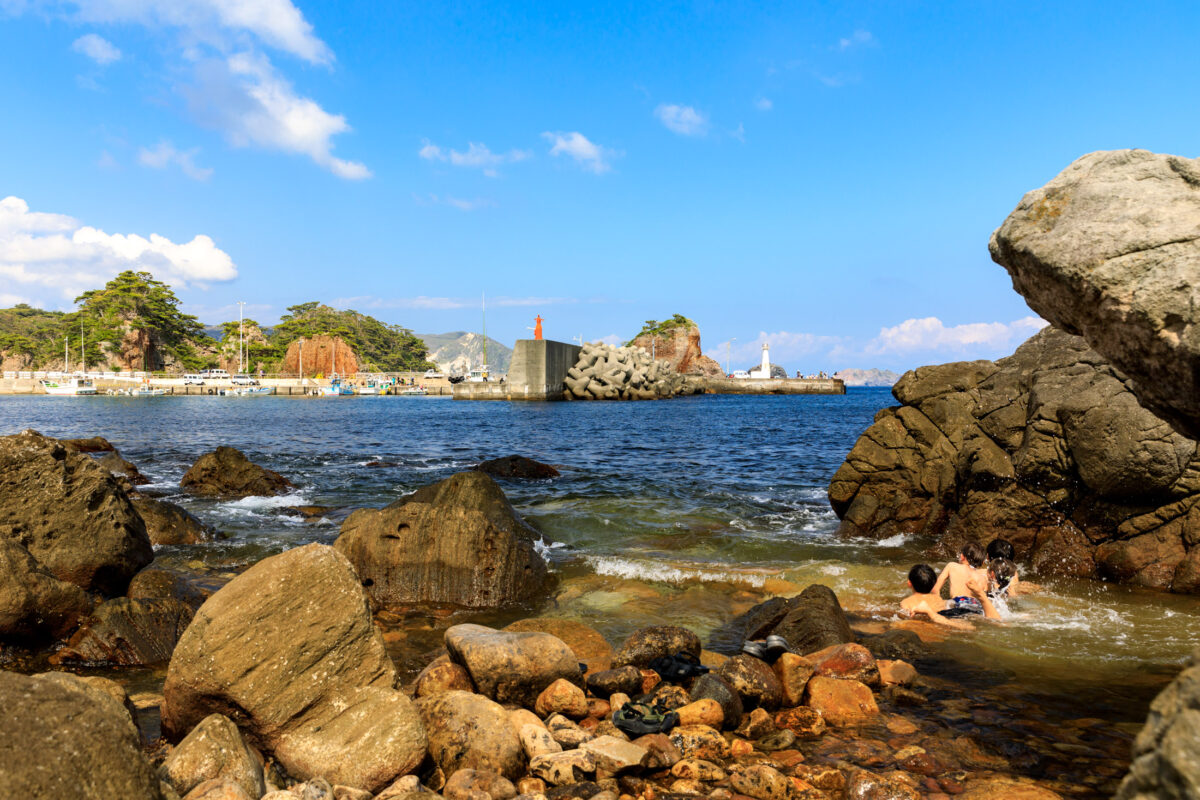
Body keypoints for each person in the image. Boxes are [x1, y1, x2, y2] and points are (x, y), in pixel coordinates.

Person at [901, 565, 976, 628]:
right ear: (934, 583)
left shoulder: (906, 602)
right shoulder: (938, 598)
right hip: (948, 618)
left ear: (909, 583)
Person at [932, 542, 991, 616]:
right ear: (982, 563)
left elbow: (935, 589)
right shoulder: (983, 579)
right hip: (976, 607)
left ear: (962, 556)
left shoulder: (952, 566)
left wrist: (937, 603)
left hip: (958, 602)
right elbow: (985, 601)